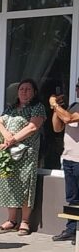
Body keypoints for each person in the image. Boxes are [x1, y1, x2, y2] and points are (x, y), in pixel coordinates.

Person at [0, 79, 46, 236]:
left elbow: (32, 127)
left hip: (26, 154)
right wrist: (6, 135)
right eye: (21, 89)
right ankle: (11, 220)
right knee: (9, 184)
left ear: (34, 92)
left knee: (25, 186)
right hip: (9, 153)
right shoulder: (11, 108)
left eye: (28, 89)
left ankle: (25, 221)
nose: (24, 92)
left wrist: (12, 139)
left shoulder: (38, 108)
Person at [50, 88, 79, 243]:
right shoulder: (73, 105)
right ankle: (72, 229)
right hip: (69, 159)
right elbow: (57, 127)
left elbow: (68, 119)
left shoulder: (72, 112)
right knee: (72, 197)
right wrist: (57, 109)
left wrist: (55, 105)